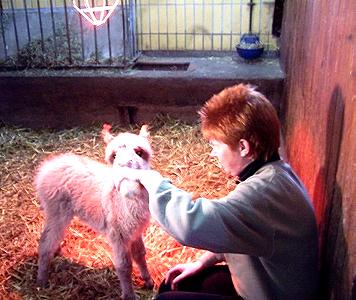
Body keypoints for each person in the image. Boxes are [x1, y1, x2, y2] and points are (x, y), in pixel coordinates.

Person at [117, 84, 319, 300]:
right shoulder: (274, 173)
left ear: (243, 147)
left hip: (273, 294)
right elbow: (241, 230)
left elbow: (190, 225)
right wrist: (202, 262)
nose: (214, 154)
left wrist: (148, 178)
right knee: (173, 284)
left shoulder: (264, 193)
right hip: (264, 282)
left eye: (216, 145)